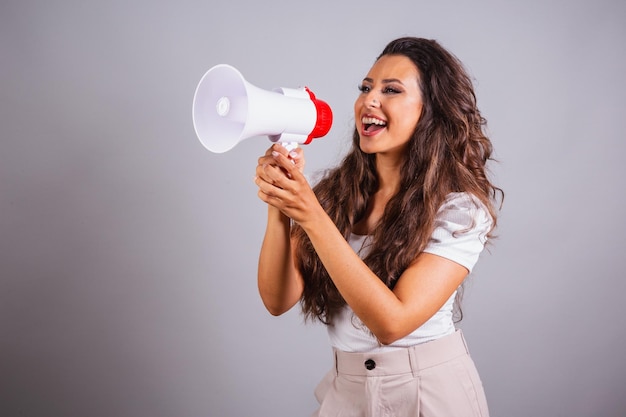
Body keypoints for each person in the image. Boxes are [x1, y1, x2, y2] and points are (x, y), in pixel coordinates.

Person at [254, 37, 502, 417]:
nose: (370, 100)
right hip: (348, 391)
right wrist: (280, 207)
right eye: (366, 88)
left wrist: (309, 214)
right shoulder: (336, 195)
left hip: (428, 393)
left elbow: (392, 322)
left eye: (391, 90)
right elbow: (277, 300)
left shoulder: (460, 209)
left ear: (430, 111)